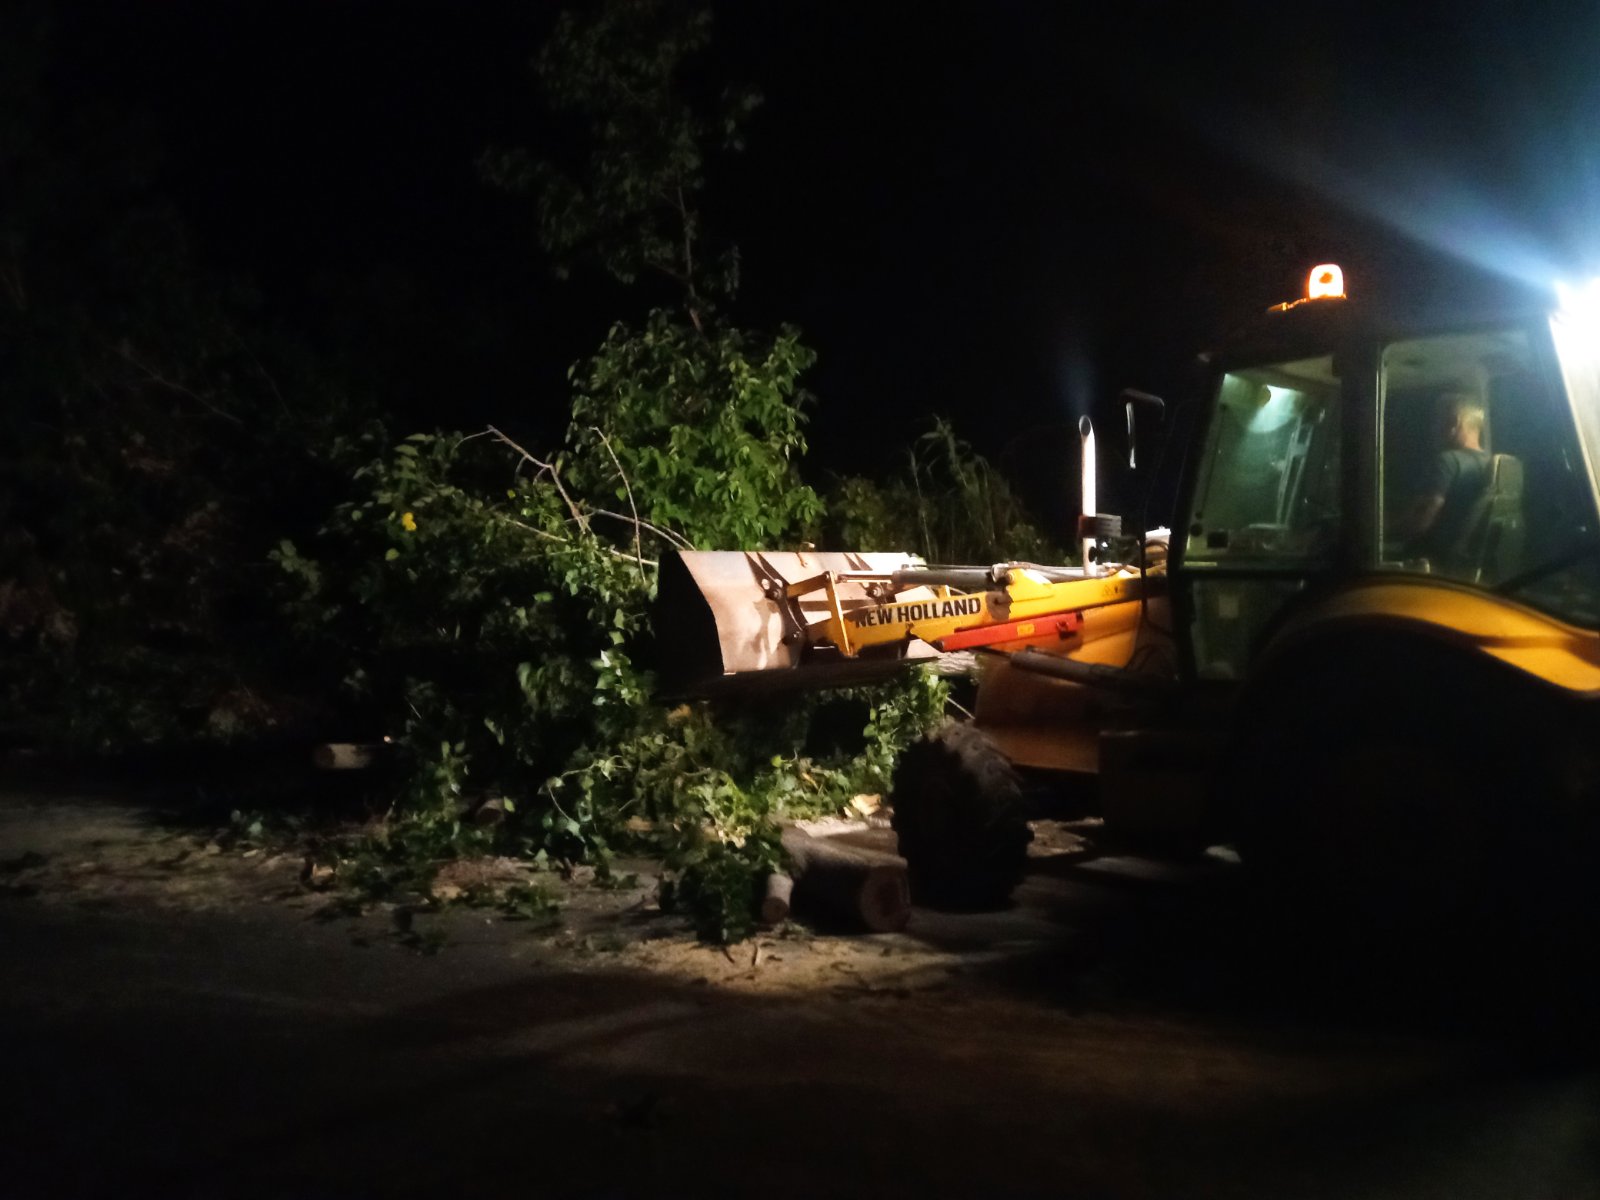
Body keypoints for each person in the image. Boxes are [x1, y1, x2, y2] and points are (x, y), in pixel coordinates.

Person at [1392, 392, 1492, 567]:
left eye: (1437, 421)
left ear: (1454, 423)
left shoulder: (1447, 462)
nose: (1433, 429)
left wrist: (1385, 532)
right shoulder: (1490, 464)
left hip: (1431, 563)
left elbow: (1423, 518)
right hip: (1466, 564)